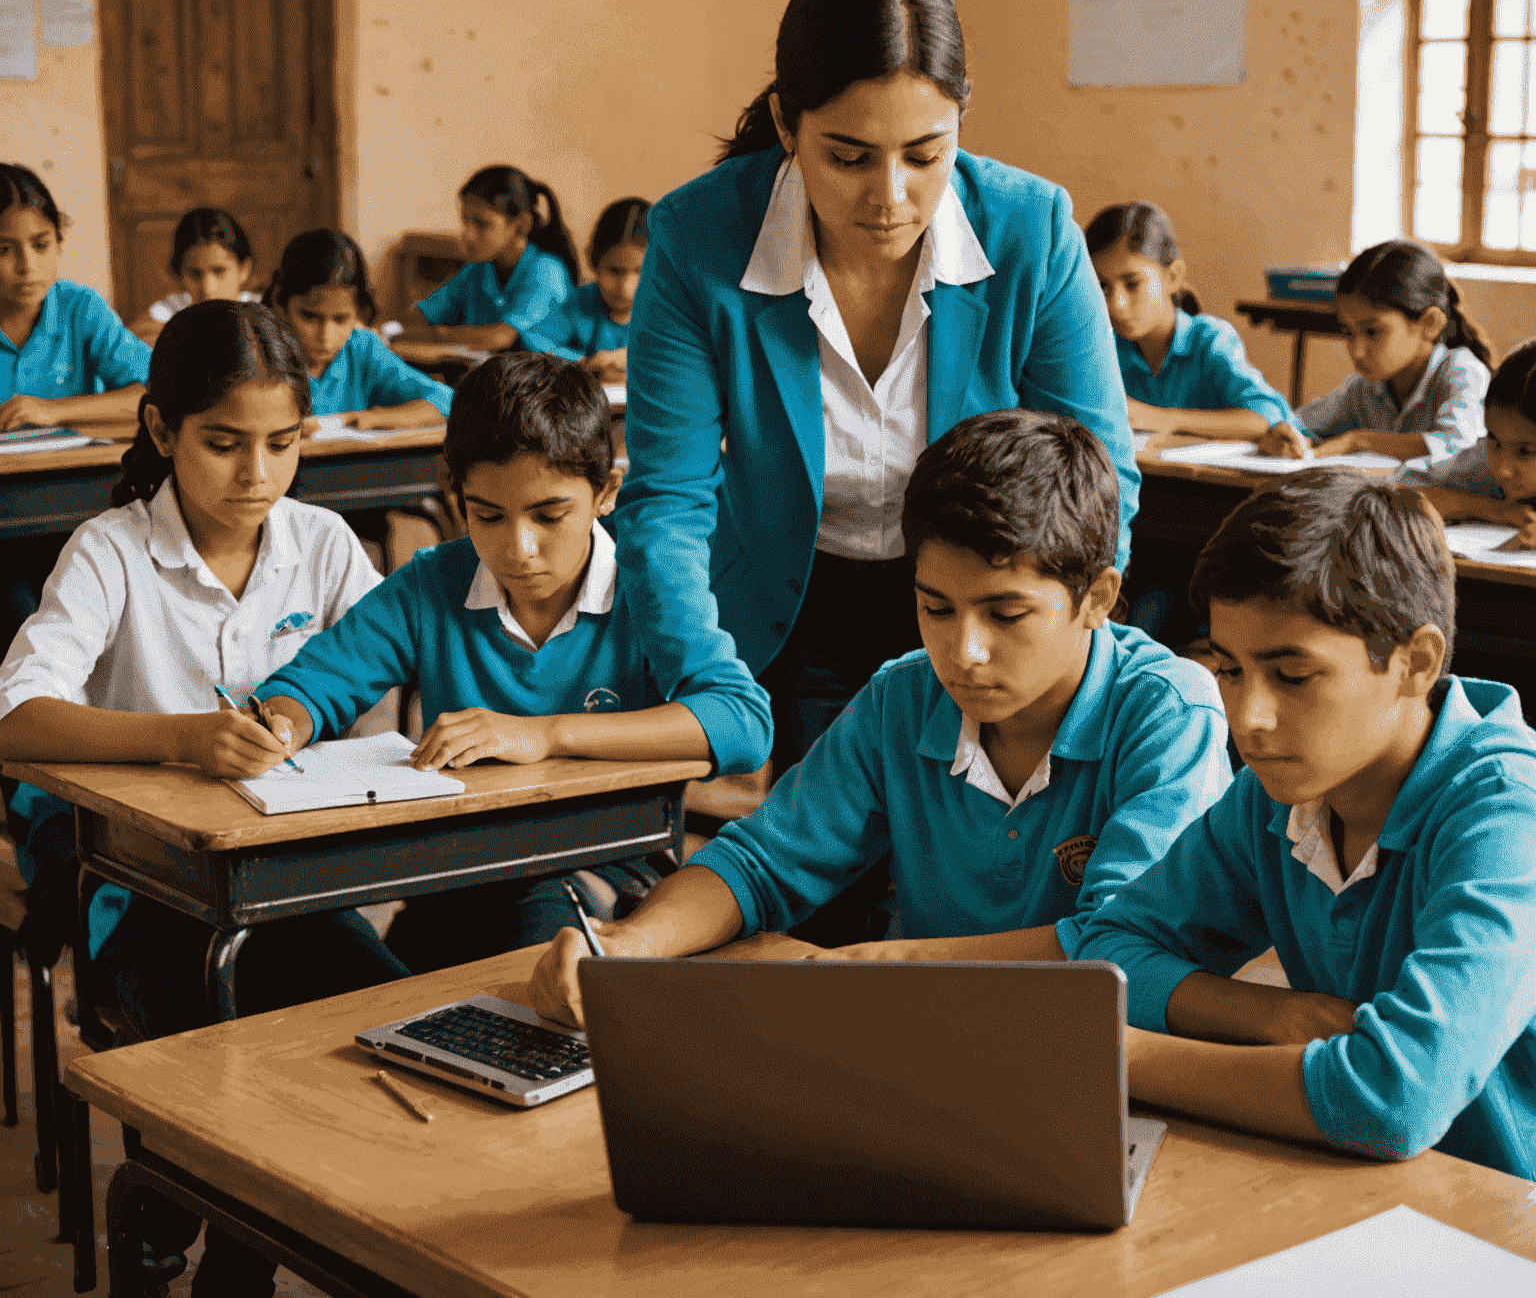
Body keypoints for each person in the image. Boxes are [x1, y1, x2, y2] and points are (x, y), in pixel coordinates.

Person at [616, 0, 1139, 786]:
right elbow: (668, 502)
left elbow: (1101, 475)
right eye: (849, 157)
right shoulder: (699, 238)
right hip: (797, 605)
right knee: (832, 877)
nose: (890, 197)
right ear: (788, 125)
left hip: (987, 606)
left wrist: (1040, 642)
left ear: (962, 121)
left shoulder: (1031, 231)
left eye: (925, 155)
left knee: (974, 863)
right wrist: (708, 679)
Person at [527, 410, 1231, 1026]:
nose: (964, 652)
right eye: (935, 607)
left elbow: (1115, 949)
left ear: (1098, 598)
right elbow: (761, 863)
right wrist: (630, 943)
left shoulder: (1169, 712)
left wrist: (872, 964)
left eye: (1006, 613)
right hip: (925, 1040)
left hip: (1110, 1072)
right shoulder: (905, 697)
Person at [0, 300, 408, 1297]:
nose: (256, 476)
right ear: (161, 430)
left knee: (379, 1020)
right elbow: (15, 718)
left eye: (283, 444)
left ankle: (240, 1255)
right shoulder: (112, 551)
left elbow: (390, 673)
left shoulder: (321, 545)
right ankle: (164, 1226)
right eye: (224, 445)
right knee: (214, 1061)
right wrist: (181, 739)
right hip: (137, 895)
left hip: (286, 889)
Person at [1073, 470, 1536, 1181]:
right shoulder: (1282, 789)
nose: (1249, 720)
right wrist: (1275, 1020)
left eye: (1292, 676)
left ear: (1414, 663)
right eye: (1229, 670)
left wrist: (1123, 1060)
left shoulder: (1509, 812)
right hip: (1360, 1189)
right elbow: (1112, 949)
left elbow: (1393, 1098)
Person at [251, 352, 771, 970]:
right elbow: (314, 682)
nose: (518, 548)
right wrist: (283, 722)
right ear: (457, 497)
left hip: (604, 869)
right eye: (487, 516)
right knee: (331, 967)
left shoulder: (650, 586)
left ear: (605, 492)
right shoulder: (433, 585)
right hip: (462, 872)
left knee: (536, 948)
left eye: (549, 515)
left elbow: (743, 723)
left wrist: (545, 735)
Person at [1258, 240, 1492, 463]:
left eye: (1372, 331)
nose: (1357, 352)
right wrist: (1281, 434)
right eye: (1348, 332)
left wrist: (1361, 440)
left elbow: (1460, 446)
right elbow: (1297, 424)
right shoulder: (1363, 389)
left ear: (1429, 323)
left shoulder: (1462, 372)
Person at [1086, 200, 1295, 440]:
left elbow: (1265, 418)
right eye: (1102, 285)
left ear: (1173, 277)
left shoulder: (1210, 340)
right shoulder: (1106, 346)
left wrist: (1163, 418)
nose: (1115, 304)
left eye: (1132, 284)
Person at [0, 163, 149, 433]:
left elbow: (155, 393)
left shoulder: (80, 308)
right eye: (4, 250)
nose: (27, 266)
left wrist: (52, 410)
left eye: (41, 245)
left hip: (78, 470)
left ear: (59, 242)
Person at [266, 228, 453, 427]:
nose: (325, 336)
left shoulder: (362, 350)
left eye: (341, 319)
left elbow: (446, 401)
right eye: (309, 316)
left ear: (359, 313)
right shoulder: (264, 355)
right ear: (281, 304)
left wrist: (365, 418)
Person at [416, 165, 578, 350]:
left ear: (521, 224)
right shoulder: (477, 270)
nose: (467, 234)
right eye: (465, 221)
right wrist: (392, 329)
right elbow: (424, 314)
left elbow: (500, 338)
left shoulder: (547, 271)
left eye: (482, 224)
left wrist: (440, 333)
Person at [1396, 336, 1536, 549]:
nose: (1503, 469)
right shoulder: (1481, 464)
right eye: (1494, 441)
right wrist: (1496, 510)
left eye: (1525, 451)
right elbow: (1400, 494)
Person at [522, 196, 648, 385]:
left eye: (640, 272)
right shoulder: (581, 304)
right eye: (614, 271)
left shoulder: (670, 310)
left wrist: (628, 358)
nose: (626, 288)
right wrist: (584, 363)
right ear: (592, 259)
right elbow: (535, 339)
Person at [129, 206, 259, 343]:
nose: (208, 289)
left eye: (219, 271)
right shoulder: (169, 312)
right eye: (195, 274)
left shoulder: (262, 312)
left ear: (244, 269)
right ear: (180, 273)